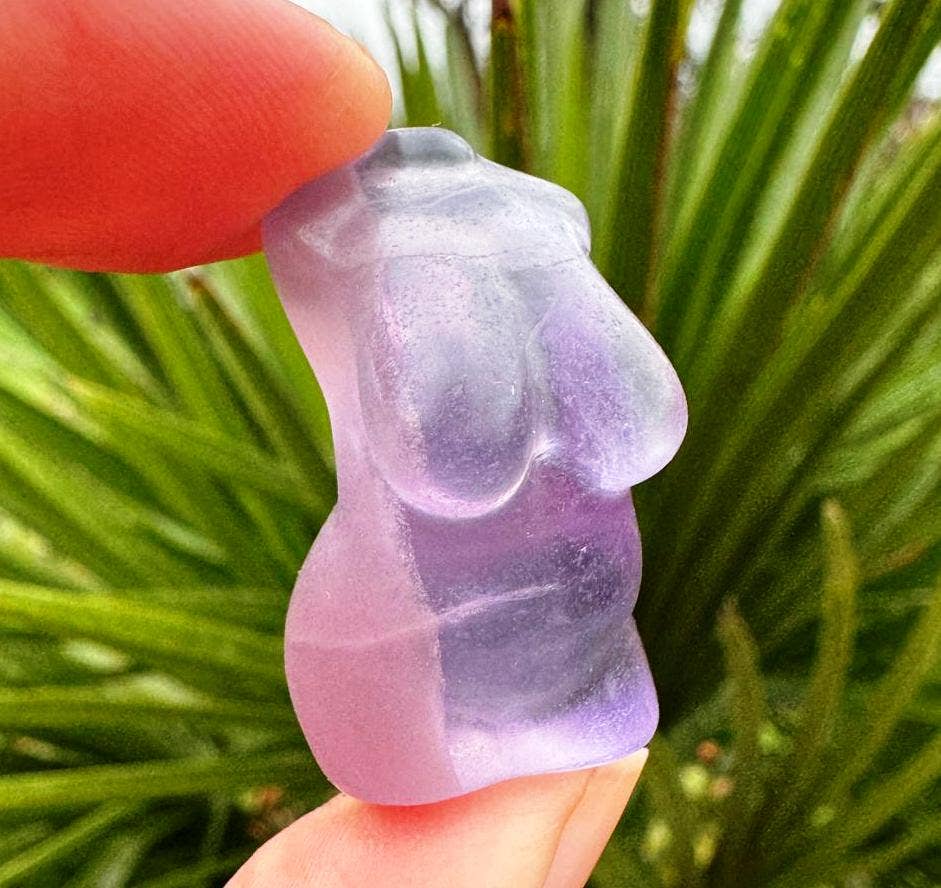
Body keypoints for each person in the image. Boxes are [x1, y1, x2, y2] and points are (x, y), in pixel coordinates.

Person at [1, 1, 647, 884]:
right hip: (419, 663)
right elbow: (451, 464)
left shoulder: (508, 244)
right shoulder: (381, 244)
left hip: (566, 656)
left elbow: (634, 425)